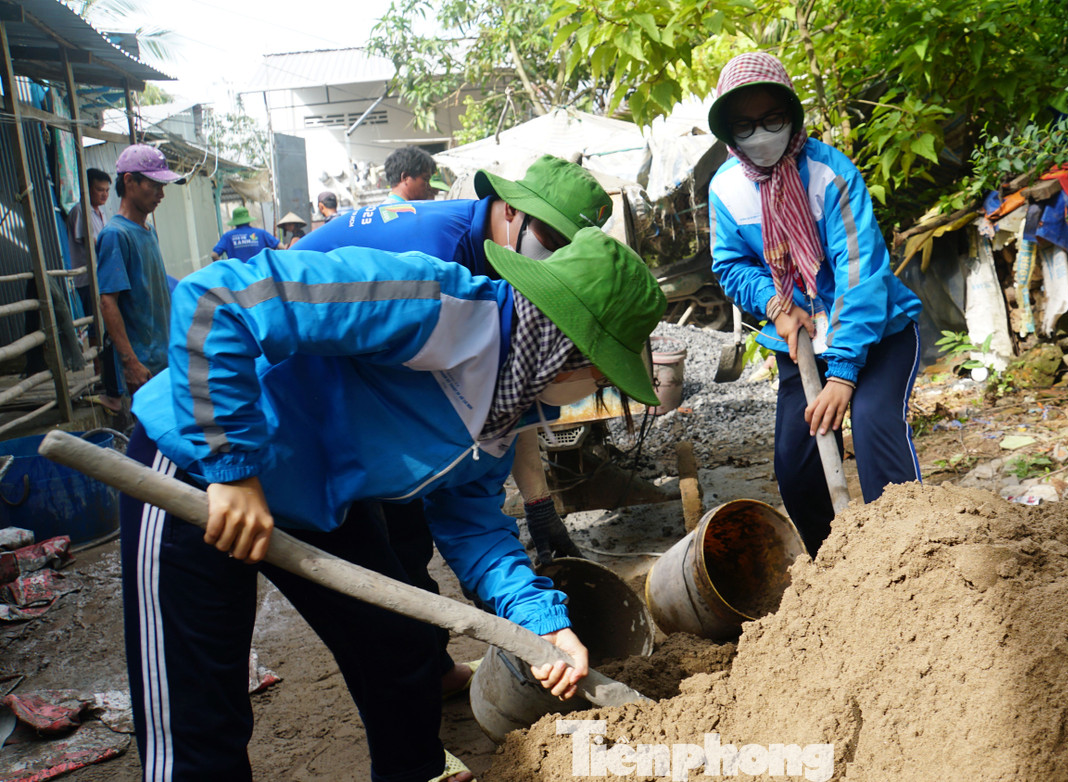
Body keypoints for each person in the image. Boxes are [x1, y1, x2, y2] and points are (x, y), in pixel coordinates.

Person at [122, 228, 665, 782]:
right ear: (562, 346)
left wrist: (541, 624)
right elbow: (218, 297)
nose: (597, 387)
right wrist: (232, 466)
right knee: (198, 699)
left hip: (319, 497)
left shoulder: (505, 411)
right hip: (197, 463)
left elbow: (474, 530)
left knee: (398, 646)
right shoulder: (429, 302)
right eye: (601, 372)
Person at [295, 155, 612, 692]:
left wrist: (535, 508)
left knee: (404, 555)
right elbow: (249, 301)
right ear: (512, 211)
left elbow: (502, 412)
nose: (557, 259)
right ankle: (423, 672)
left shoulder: (509, 288)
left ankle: (426, 674)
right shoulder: (436, 268)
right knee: (397, 545)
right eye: (552, 239)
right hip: (302, 382)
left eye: (569, 250)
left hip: (349, 429)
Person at [707, 52, 924, 557]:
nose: (760, 134)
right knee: (796, 464)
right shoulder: (726, 189)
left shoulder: (829, 174)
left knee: (873, 429)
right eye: (745, 125)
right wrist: (776, 305)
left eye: (772, 119)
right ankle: (837, 574)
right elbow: (732, 265)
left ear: (793, 116)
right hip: (801, 340)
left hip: (878, 335)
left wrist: (844, 373)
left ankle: (911, 559)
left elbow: (860, 273)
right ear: (729, 132)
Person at [95, 144, 185, 411]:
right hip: (143, 368)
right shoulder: (115, 234)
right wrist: (130, 363)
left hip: (164, 360)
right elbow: (108, 303)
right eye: (154, 185)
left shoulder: (147, 230)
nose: (161, 194)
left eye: (163, 187)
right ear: (129, 181)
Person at [66, 167, 111, 320]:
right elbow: (93, 243)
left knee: (105, 320)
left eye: (107, 190)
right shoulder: (81, 210)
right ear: (87, 188)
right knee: (95, 323)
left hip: (101, 276)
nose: (104, 194)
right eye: (100, 190)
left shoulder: (100, 212)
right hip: (87, 280)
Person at [210, 206, 283, 261]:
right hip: (260, 275)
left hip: (238, 276)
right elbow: (281, 247)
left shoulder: (228, 236)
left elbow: (214, 255)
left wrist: (226, 269)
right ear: (248, 219)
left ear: (235, 221)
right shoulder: (261, 233)